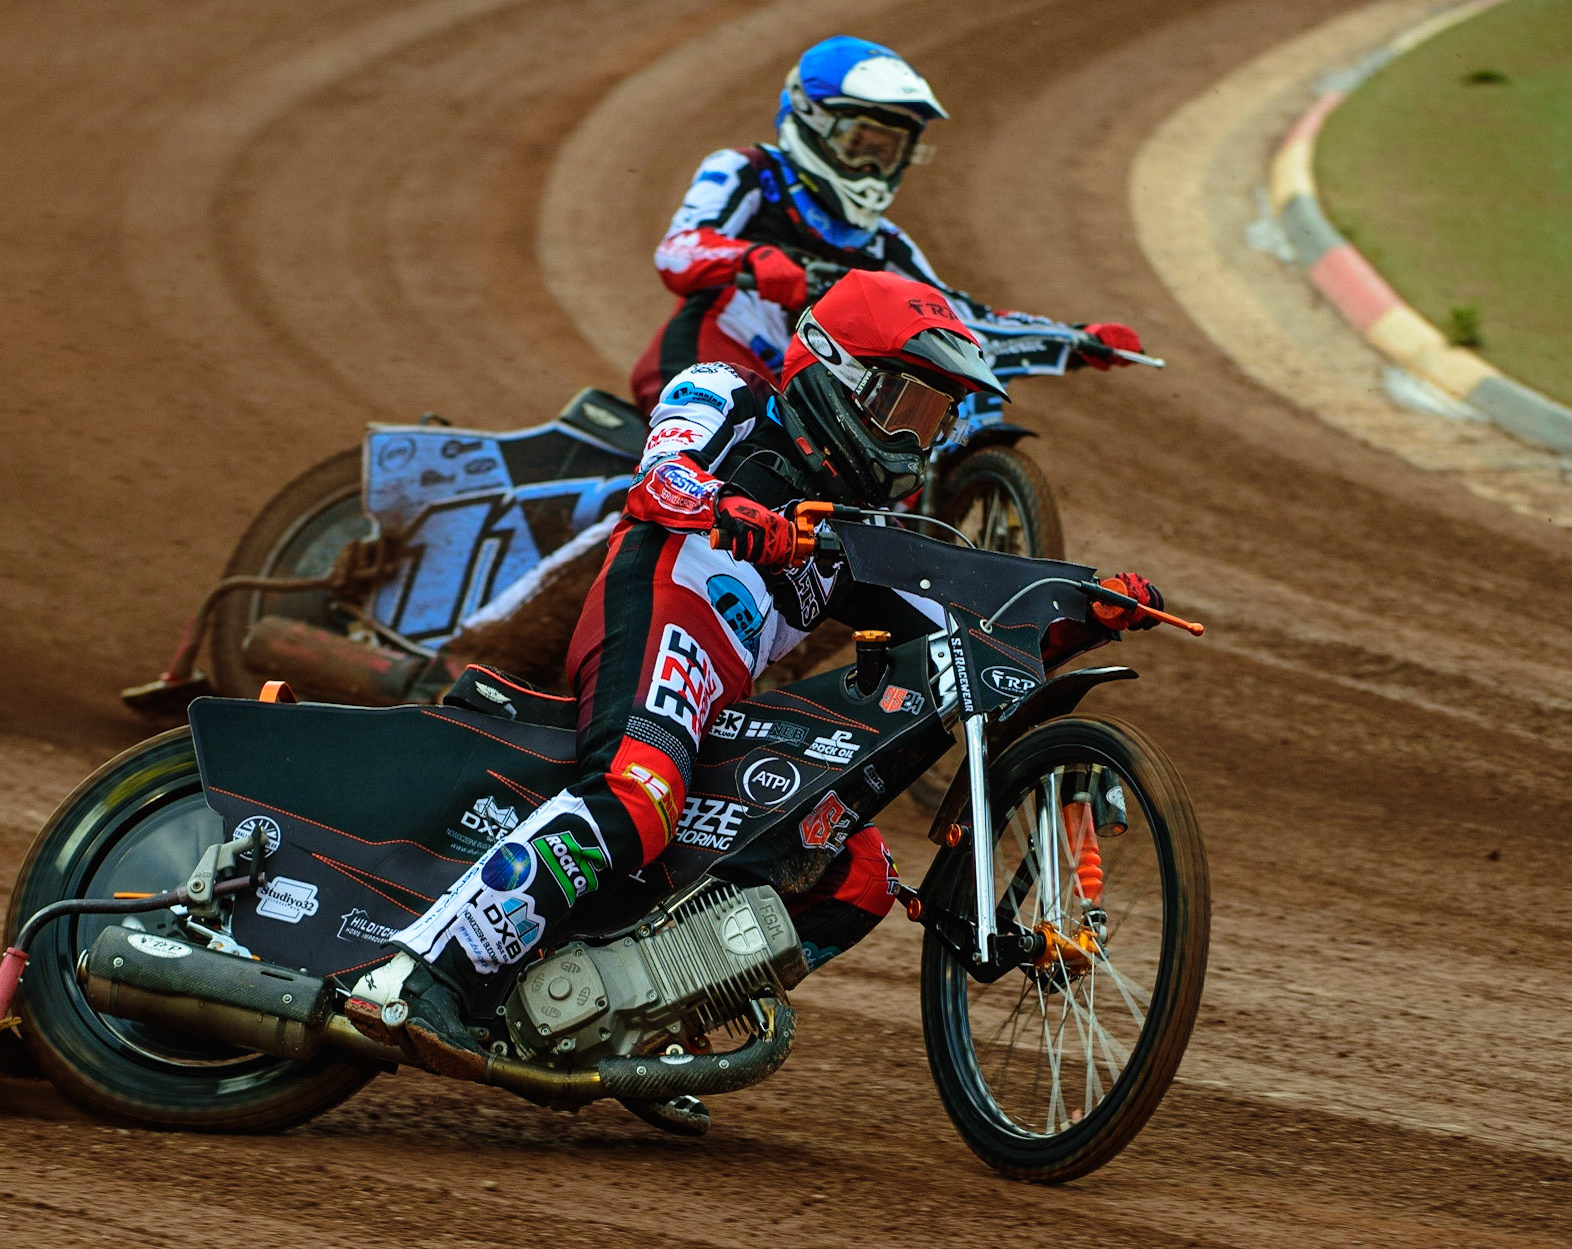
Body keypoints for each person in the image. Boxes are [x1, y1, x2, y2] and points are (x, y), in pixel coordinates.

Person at [351, 270, 1164, 1079]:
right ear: (838, 371)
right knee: (638, 800)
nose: (917, 442)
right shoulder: (727, 394)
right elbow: (658, 480)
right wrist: (729, 510)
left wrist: (1078, 621)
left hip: (723, 701)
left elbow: (967, 641)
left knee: (855, 876)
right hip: (661, 618)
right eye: (903, 409)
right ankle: (415, 976)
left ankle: (646, 1026)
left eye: (933, 420)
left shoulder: (861, 532)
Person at [629, 34, 1145, 413]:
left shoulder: (885, 244)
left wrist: (1077, 340)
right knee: (714, 460)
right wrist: (754, 259)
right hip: (711, 364)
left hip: (801, 398)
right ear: (812, 121)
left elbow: (957, 317)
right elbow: (678, 250)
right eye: (860, 145)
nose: (874, 169)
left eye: (889, 152)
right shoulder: (747, 172)